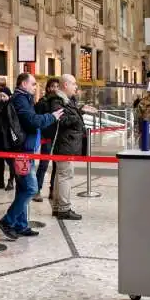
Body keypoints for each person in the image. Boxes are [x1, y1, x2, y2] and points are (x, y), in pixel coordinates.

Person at [0, 73, 63, 241]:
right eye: (33, 84)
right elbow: (32, 121)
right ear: (24, 84)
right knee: (31, 189)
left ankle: (21, 225)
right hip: (22, 152)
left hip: (27, 150)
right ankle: (7, 221)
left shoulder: (25, 99)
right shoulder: (20, 99)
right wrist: (52, 117)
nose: (36, 87)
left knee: (22, 187)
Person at [45, 74, 84, 220]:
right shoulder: (57, 100)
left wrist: (80, 111)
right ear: (66, 85)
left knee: (62, 174)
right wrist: (78, 115)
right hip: (63, 143)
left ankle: (57, 206)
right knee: (65, 175)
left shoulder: (66, 100)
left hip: (66, 143)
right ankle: (64, 208)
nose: (76, 87)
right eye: (74, 84)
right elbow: (61, 120)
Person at [34, 77, 60, 201]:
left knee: (56, 165)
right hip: (47, 137)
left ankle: (52, 190)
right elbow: (38, 118)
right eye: (52, 86)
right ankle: (37, 190)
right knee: (43, 164)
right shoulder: (43, 101)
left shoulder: (60, 102)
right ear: (48, 88)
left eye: (57, 86)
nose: (54, 89)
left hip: (58, 137)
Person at [0, 86, 15, 190]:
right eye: (0, 95)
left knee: (10, 161)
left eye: (4, 95)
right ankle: (1, 181)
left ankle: (11, 181)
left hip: (8, 137)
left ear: (9, 96)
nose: (2, 97)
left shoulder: (11, 106)